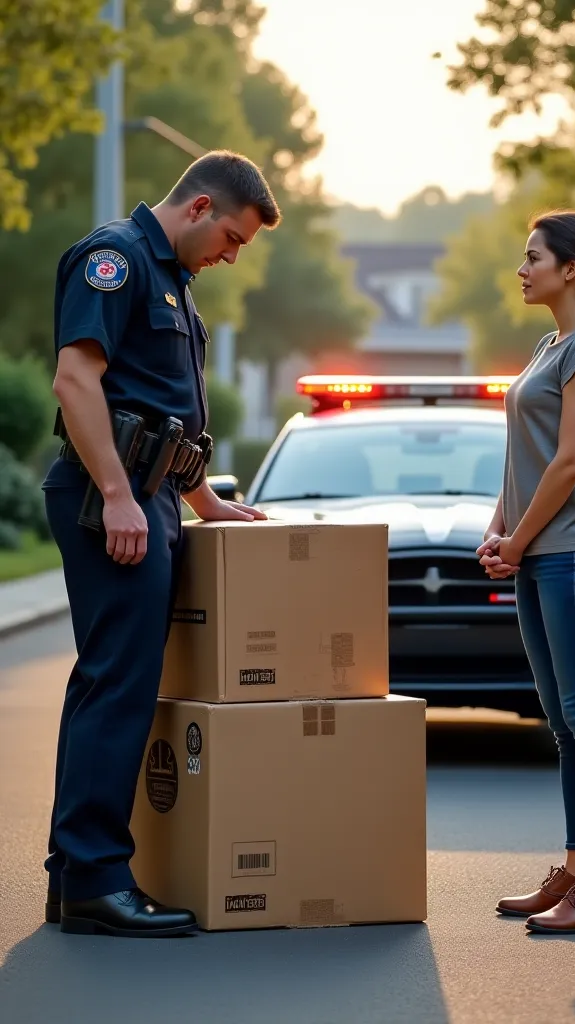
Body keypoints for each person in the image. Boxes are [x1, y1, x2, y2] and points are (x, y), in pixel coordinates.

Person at [42, 150, 280, 937]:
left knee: (113, 682)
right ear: (202, 207)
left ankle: (76, 875)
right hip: (106, 504)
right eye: (234, 239)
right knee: (119, 686)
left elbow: (161, 417)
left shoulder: (174, 279)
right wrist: (116, 493)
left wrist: (204, 499)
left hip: (147, 501)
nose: (232, 255)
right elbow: (77, 381)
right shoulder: (116, 260)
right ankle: (97, 880)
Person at [476, 210, 575, 936]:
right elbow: (530, 454)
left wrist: (520, 540)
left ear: (570, 269)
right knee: (566, 725)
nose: (522, 267)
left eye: (532, 257)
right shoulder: (552, 343)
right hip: (542, 550)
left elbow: (571, 462)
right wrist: (498, 528)